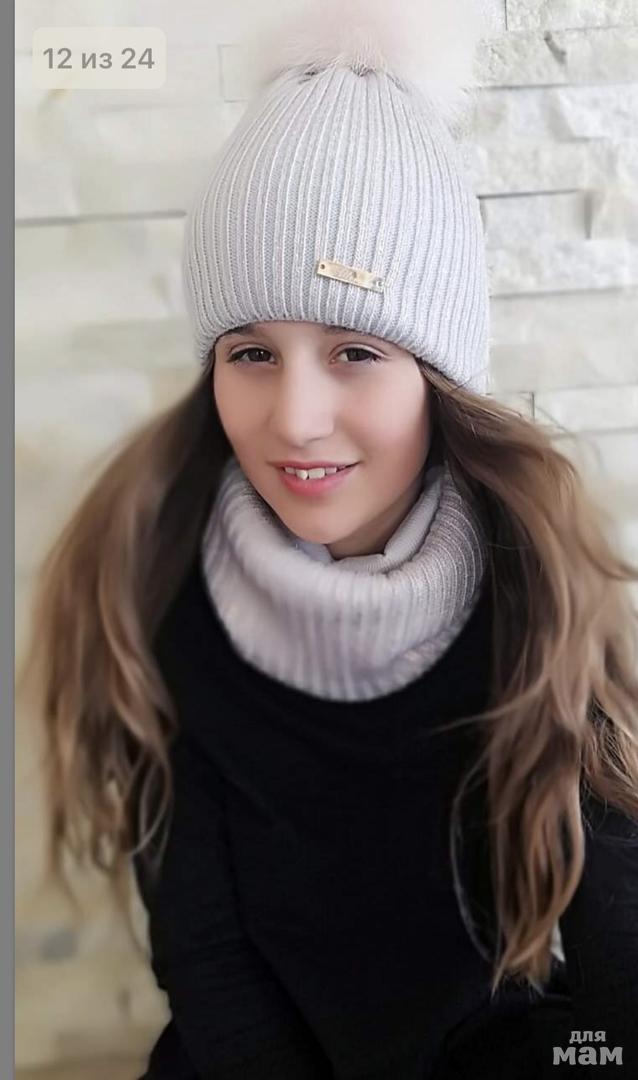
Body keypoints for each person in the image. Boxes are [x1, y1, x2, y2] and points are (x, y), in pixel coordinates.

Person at [18, 1, 638, 1077]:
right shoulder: (159, 586)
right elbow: (207, 961)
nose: (295, 420)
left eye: (355, 350)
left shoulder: (542, 590)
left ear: (437, 375)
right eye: (250, 353)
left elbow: (614, 992)